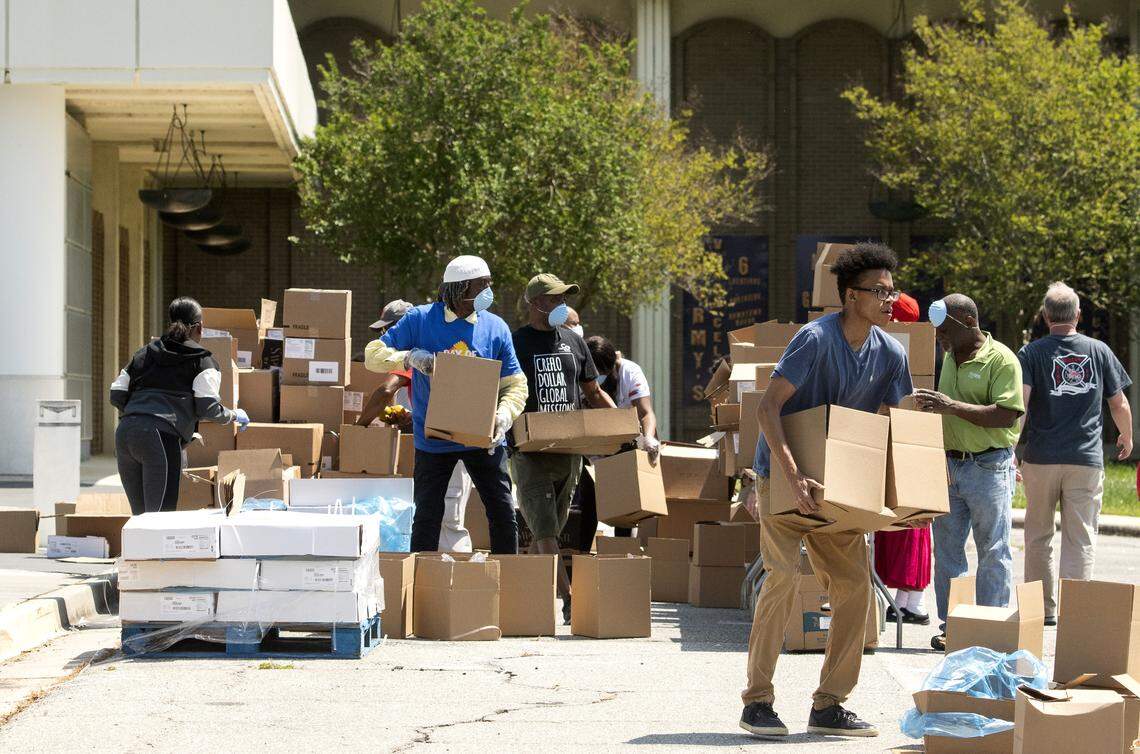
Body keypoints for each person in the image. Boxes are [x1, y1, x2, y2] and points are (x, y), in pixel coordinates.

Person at [740, 242, 911, 739]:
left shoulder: (891, 353)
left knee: (857, 589)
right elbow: (768, 409)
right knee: (782, 581)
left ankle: (829, 704)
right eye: (878, 291)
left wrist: (912, 500)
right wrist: (791, 477)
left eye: (891, 290)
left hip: (837, 490)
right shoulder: (815, 341)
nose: (888, 299)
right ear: (850, 297)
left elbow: (902, 427)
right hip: (785, 479)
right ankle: (758, 702)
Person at [364, 255, 527, 554]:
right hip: (433, 440)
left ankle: (508, 583)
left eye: (489, 284)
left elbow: (516, 384)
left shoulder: (496, 327)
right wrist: (409, 357)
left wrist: (504, 415)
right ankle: (421, 583)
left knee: (503, 512)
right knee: (427, 517)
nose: (488, 292)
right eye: (482, 285)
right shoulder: (421, 319)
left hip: (483, 439)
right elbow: (373, 354)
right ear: (459, 287)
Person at [914, 294, 1024, 652]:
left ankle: (990, 629)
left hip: (988, 466)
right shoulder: (949, 356)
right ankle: (954, 626)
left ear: (967, 322)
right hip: (949, 465)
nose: (940, 338)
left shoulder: (1001, 359)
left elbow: (1007, 414)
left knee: (992, 548)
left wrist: (951, 407)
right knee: (947, 549)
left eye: (945, 331)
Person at [1017, 282, 1133, 624]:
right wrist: (1126, 435)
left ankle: (1042, 611)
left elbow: (1020, 406)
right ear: (1078, 315)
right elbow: (1119, 402)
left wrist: (1010, 448)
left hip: (1040, 458)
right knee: (1080, 538)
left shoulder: (1031, 353)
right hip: (1085, 460)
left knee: (1037, 536)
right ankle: (1074, 614)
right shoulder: (1099, 351)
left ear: (1044, 315)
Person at [511, 274, 616, 623]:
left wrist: (625, 428)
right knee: (543, 529)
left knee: (551, 530)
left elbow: (593, 392)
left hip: (569, 450)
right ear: (536, 303)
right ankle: (569, 597)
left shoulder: (574, 341)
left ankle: (528, 596)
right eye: (555, 299)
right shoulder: (516, 343)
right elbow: (504, 393)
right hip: (530, 451)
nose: (562, 305)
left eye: (564, 299)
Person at [110, 297, 249, 515]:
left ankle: (137, 550)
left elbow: (117, 393)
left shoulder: (144, 353)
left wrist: (139, 412)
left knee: (140, 517)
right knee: (159, 517)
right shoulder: (203, 361)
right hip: (160, 438)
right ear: (200, 327)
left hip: (125, 434)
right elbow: (208, 408)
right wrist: (233, 415)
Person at [359, 299, 473, 552]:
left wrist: (357, 428)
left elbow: (385, 391)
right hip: (440, 442)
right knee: (438, 519)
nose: (386, 337)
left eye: (388, 330)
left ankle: (459, 582)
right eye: (382, 332)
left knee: (448, 522)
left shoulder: (419, 354)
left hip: (449, 444)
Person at [874, 292, 932, 625]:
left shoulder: (896, 350)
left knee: (909, 526)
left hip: (903, 440)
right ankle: (909, 601)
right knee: (902, 525)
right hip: (902, 439)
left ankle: (912, 601)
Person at [575, 335, 661, 542]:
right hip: (593, 447)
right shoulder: (581, 375)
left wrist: (648, 437)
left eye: (604, 374)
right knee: (589, 504)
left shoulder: (630, 372)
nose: (601, 380)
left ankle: (621, 555)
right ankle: (581, 556)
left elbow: (645, 412)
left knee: (625, 508)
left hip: (625, 446)